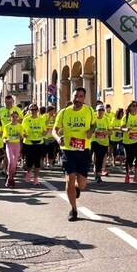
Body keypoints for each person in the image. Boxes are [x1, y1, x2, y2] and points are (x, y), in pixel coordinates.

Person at [53, 87, 96, 221]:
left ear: (84, 98)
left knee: (82, 184)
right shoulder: (64, 113)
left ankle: (77, 188)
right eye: (76, 96)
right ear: (72, 97)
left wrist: (91, 131)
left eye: (81, 96)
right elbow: (55, 129)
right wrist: (58, 138)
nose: (78, 99)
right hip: (68, 150)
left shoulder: (89, 110)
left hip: (84, 150)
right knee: (70, 178)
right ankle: (73, 209)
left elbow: (94, 125)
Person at [121, 100, 137, 183]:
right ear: (129, 107)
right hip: (128, 142)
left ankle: (135, 175)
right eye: (133, 106)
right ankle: (127, 175)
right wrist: (126, 129)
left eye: (136, 106)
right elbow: (122, 128)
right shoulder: (126, 117)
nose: (135, 107)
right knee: (129, 158)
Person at [22, 104, 45, 185]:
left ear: (37, 111)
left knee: (37, 162)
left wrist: (45, 132)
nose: (33, 111)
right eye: (32, 110)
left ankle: (36, 178)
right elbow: (22, 130)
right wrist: (24, 134)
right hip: (28, 143)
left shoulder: (41, 120)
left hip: (39, 142)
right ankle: (28, 173)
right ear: (29, 111)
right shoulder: (26, 119)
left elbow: (44, 130)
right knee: (29, 161)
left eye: (35, 110)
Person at [2, 111, 23, 187]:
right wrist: (5, 140)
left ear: (17, 117)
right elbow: (4, 137)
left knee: (14, 164)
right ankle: (10, 179)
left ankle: (10, 178)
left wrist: (19, 135)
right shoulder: (6, 126)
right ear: (10, 117)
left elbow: (22, 137)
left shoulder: (20, 126)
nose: (14, 118)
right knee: (11, 161)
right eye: (13, 117)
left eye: (15, 117)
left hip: (17, 145)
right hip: (9, 145)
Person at [91, 104, 110, 183]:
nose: (101, 112)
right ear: (96, 111)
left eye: (102, 110)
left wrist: (105, 132)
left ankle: (98, 175)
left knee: (100, 159)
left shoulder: (106, 119)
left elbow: (110, 131)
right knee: (94, 155)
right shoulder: (93, 118)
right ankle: (96, 173)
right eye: (99, 110)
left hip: (104, 142)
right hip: (94, 140)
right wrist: (96, 132)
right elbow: (90, 128)